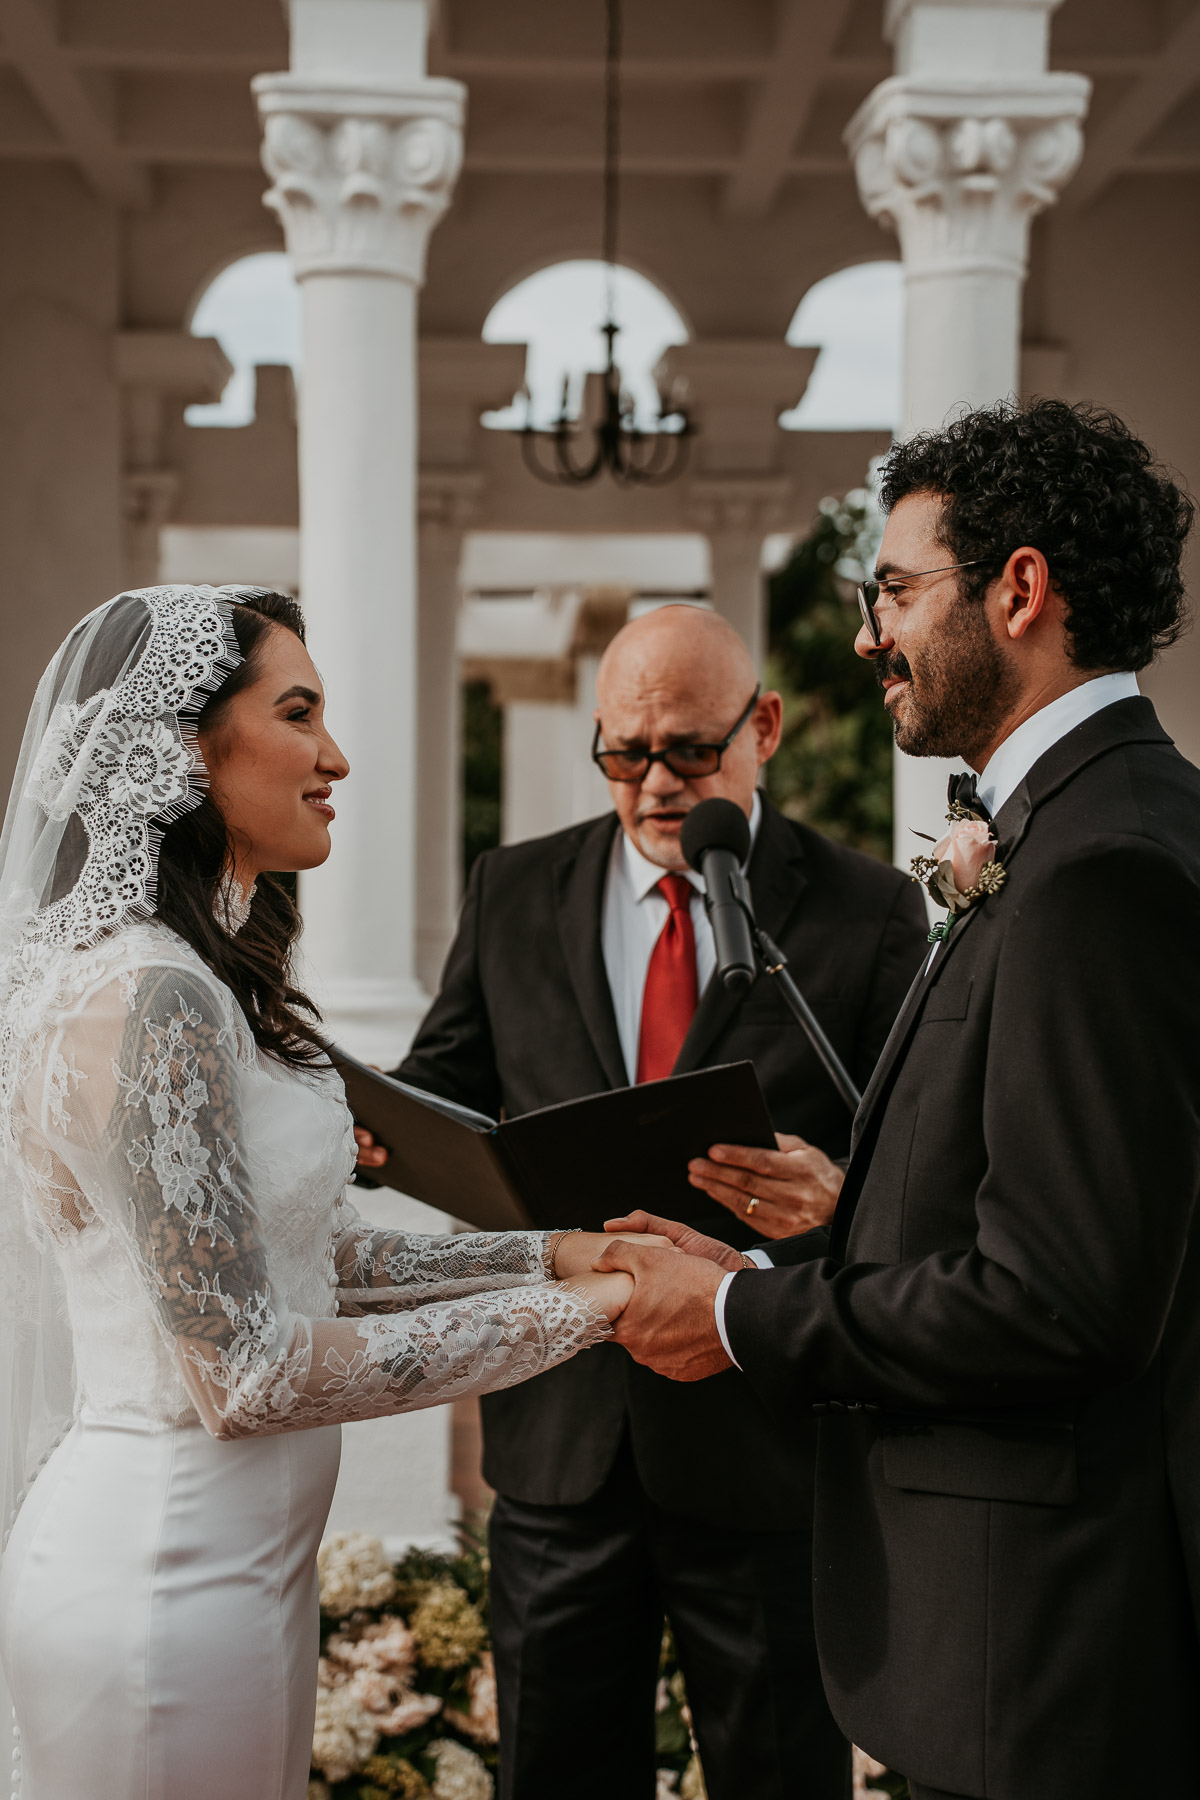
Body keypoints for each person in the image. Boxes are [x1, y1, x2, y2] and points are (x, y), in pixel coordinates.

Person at [597, 400, 1200, 1799]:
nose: (870, 631)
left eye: (895, 589)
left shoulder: (1101, 869)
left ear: (1021, 590)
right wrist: (778, 1251)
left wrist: (742, 1316)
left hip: (1041, 1651)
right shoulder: (1087, 827)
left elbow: (1058, 1302)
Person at [0, 584, 655, 1800]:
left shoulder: (202, 984)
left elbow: (331, 1261)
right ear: (187, 748)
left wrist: (554, 1253)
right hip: (163, 1578)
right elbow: (241, 1371)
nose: (336, 756)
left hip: (233, 1569)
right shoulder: (155, 999)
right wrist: (601, 1311)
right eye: (298, 714)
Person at [359, 605, 929, 1800]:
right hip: (561, 1442)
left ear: (762, 727)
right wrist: (375, 1128)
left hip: (762, 1441)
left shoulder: (867, 910)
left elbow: (917, 1164)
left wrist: (835, 1199)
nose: (657, 784)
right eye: (625, 754)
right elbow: (443, 1082)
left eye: (690, 751)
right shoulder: (514, 888)